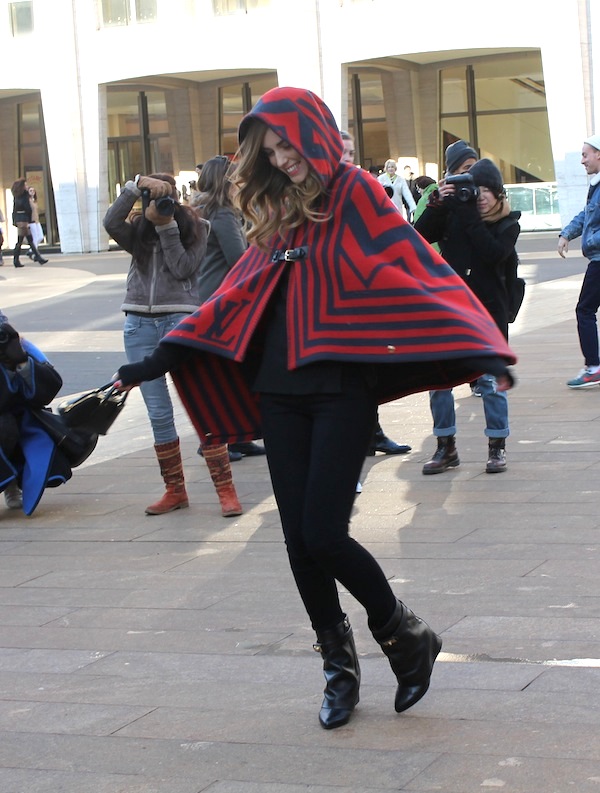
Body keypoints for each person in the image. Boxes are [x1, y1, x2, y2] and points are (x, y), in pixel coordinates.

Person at [112, 87, 515, 730]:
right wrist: (162, 357)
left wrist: (479, 342)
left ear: (313, 134)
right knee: (299, 541)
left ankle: (404, 635)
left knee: (324, 532)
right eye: (270, 151)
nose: (282, 158)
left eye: (286, 145)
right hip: (278, 392)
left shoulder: (356, 190)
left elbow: (410, 265)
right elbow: (241, 292)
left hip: (340, 391)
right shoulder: (273, 208)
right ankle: (338, 665)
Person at [103, 172, 242, 518]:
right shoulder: (136, 233)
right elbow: (110, 221)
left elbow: (183, 269)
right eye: (152, 199)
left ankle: (226, 490)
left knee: (202, 401)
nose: (158, 206)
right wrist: (135, 186)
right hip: (138, 324)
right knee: (158, 412)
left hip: (179, 322)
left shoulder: (199, 227)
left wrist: (166, 227)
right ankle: (175, 490)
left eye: (163, 199)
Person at [414, 156, 520, 474]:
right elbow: (417, 236)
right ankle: (446, 448)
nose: (481, 195)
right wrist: (436, 204)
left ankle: (497, 448)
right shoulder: (456, 214)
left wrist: (466, 215)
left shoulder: (508, 224)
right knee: (440, 381)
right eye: (477, 188)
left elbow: (492, 253)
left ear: (499, 194)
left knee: (490, 382)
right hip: (451, 310)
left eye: (488, 189)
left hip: (489, 314)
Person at [341, 132, 411, 456]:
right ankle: (358, 441)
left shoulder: (360, 187)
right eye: (342, 153)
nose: (348, 159)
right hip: (332, 305)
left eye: (351, 153)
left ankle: (373, 434)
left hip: (360, 297)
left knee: (365, 373)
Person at [191, 155, 264, 458]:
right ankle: (215, 439)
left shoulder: (202, 210)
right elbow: (238, 258)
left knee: (228, 369)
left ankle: (235, 436)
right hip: (223, 299)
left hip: (208, 296)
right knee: (226, 370)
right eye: (236, 178)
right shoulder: (222, 213)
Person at [0, 311, 76, 515]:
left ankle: (12, 483)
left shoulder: (20, 345)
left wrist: (22, 362)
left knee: (10, 427)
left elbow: (51, 385)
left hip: (16, 419)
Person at [558, 134, 600, 388]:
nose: (582, 161)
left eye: (585, 155)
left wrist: (591, 243)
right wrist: (567, 234)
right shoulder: (596, 186)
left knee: (584, 310)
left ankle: (593, 367)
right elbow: (586, 215)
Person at [10, 179, 48, 267]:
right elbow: (27, 209)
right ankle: (35, 258)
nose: (27, 187)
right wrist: (28, 220)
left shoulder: (17, 196)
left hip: (20, 220)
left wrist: (15, 220)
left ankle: (36, 257)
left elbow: (15, 209)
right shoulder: (23, 196)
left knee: (27, 240)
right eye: (25, 185)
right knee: (23, 241)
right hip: (24, 220)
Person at [26, 187, 44, 259]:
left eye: (33, 190)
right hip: (31, 221)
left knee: (40, 237)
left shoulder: (34, 200)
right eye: (30, 190)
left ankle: (31, 251)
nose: (32, 192)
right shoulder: (28, 201)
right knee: (35, 238)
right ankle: (36, 254)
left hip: (37, 221)